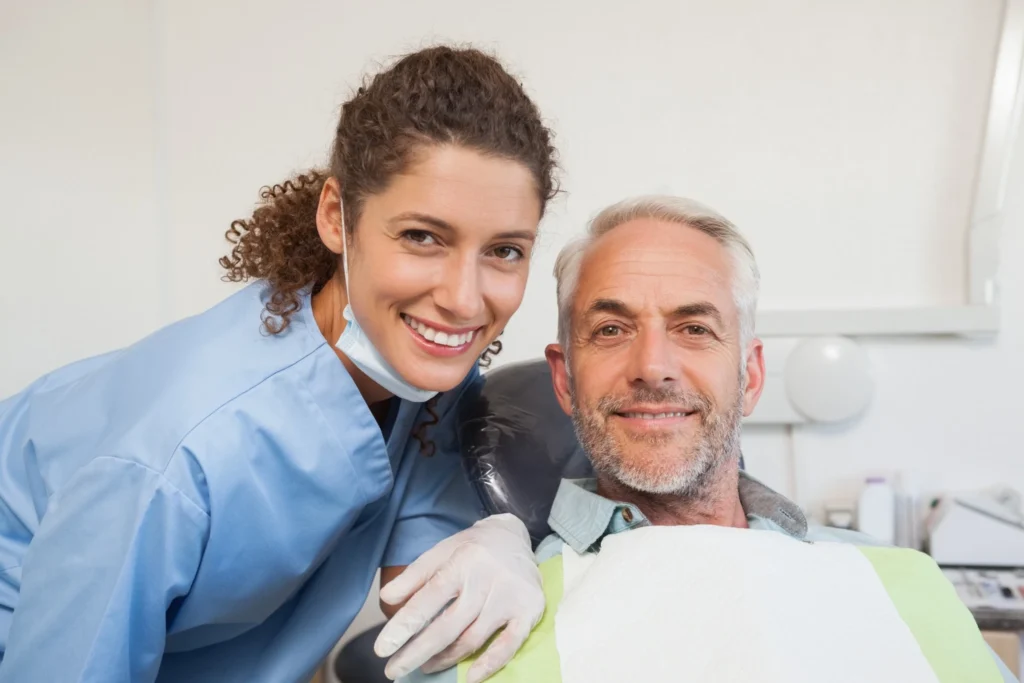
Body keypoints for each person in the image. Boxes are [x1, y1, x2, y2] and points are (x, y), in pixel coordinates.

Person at [0, 46, 556, 683]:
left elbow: (419, 602)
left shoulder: (427, 383)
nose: (463, 298)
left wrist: (502, 540)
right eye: (422, 237)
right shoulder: (178, 456)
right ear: (334, 217)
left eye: (505, 250)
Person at [405, 195, 1016, 682]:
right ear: (565, 381)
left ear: (749, 376)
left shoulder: (903, 577)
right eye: (612, 329)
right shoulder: (483, 619)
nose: (653, 366)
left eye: (694, 327)